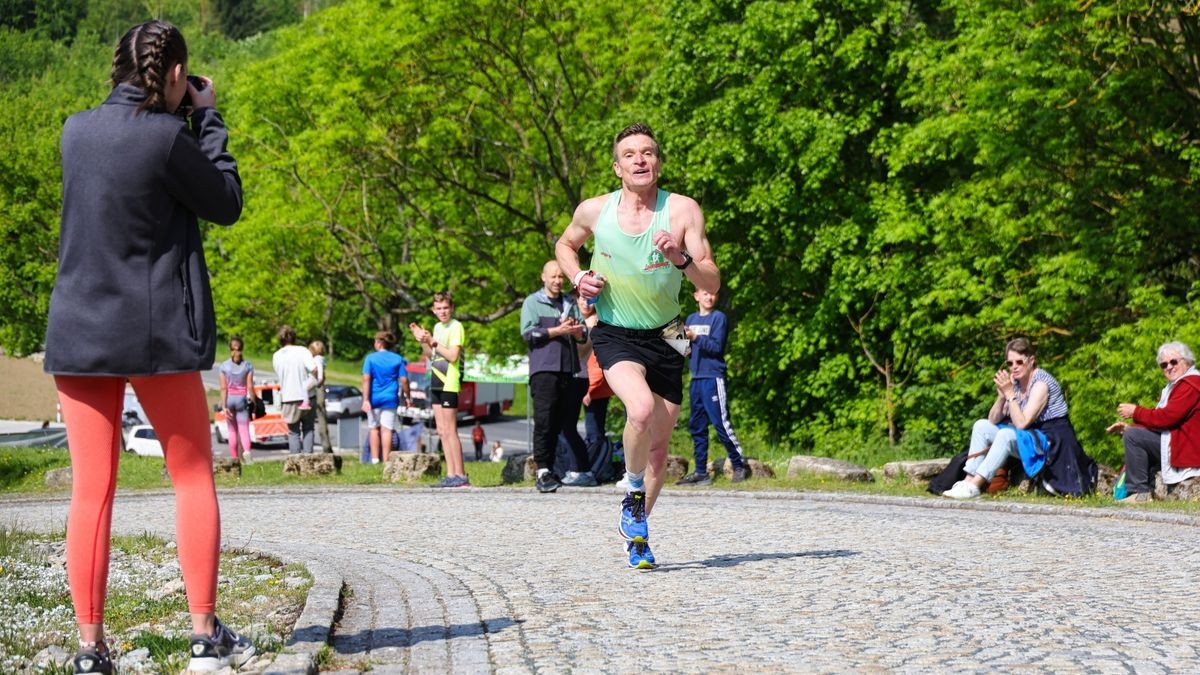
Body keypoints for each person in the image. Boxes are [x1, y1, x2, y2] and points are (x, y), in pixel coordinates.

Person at [42, 20, 252, 674]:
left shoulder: (74, 132)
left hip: (79, 330)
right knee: (191, 476)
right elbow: (225, 201)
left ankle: (89, 648)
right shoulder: (168, 137)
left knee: (91, 490)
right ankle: (201, 633)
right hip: (155, 332)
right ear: (173, 76)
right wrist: (208, 118)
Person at [556, 123, 721, 569]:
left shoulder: (682, 211)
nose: (640, 160)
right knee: (641, 411)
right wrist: (577, 277)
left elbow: (711, 281)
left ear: (658, 163)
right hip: (614, 330)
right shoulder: (595, 210)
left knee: (660, 450)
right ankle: (630, 492)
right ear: (617, 167)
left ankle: (637, 533)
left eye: (648, 152)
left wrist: (680, 260)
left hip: (669, 333)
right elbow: (564, 244)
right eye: (630, 154)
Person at [944, 337, 1097, 499]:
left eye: (1019, 362)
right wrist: (1002, 396)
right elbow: (993, 420)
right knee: (981, 426)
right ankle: (968, 481)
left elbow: (1022, 423)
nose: (1014, 367)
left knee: (1006, 434)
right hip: (1030, 437)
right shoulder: (1015, 383)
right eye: (1010, 363)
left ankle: (976, 485)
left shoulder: (1041, 384)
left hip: (1051, 440)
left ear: (1031, 361)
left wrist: (1010, 395)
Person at [520, 261, 589, 492]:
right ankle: (542, 470)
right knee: (544, 421)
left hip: (568, 370)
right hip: (544, 370)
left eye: (561, 277)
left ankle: (553, 469)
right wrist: (556, 331)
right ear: (543, 277)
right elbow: (528, 334)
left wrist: (578, 332)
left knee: (561, 422)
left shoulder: (570, 303)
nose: (557, 281)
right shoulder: (532, 302)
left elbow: (583, 336)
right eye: (553, 277)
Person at [1108, 341, 1200, 503]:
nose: (1169, 367)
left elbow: (1166, 418)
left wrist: (1135, 412)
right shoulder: (1178, 385)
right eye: (1164, 365)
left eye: (1173, 362)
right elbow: (1163, 421)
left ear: (1187, 361)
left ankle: (1139, 493)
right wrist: (1132, 427)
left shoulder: (1191, 384)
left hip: (1188, 449)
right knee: (1133, 434)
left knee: (1134, 436)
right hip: (1179, 443)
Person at [677, 288, 750, 486]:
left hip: (713, 377)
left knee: (721, 424)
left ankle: (739, 465)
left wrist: (695, 337)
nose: (709, 297)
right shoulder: (691, 318)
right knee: (697, 426)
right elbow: (689, 351)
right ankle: (701, 472)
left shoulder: (719, 318)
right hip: (696, 378)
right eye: (705, 293)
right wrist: (679, 343)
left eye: (713, 294)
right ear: (696, 296)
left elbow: (716, 348)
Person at [409, 292, 469, 487]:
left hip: (449, 382)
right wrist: (424, 341)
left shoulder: (456, 326)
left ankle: (460, 475)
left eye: (446, 308)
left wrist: (434, 341)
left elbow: (452, 355)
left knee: (451, 431)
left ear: (451, 308)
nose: (443, 312)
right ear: (433, 311)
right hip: (435, 380)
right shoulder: (436, 327)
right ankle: (451, 474)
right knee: (441, 431)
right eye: (439, 308)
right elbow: (430, 355)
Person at [361, 331, 410, 464]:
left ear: (378, 343)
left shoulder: (370, 358)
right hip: (390, 398)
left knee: (373, 428)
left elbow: (366, 379)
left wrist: (365, 399)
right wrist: (408, 397)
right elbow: (404, 380)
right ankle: (386, 461)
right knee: (387, 429)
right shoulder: (398, 358)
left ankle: (375, 460)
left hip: (373, 398)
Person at [273, 326, 318, 454]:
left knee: (293, 432)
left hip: (288, 397)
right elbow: (314, 369)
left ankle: (295, 461)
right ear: (294, 337)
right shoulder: (303, 351)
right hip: (307, 396)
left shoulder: (276, 356)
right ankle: (309, 458)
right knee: (308, 428)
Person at [218, 336, 257, 462]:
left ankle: (234, 458)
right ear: (242, 349)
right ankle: (247, 452)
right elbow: (250, 386)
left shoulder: (223, 366)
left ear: (230, 349)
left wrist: (224, 406)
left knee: (232, 431)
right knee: (244, 429)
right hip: (241, 400)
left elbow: (223, 388)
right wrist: (255, 402)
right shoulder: (248, 366)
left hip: (229, 400)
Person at [309, 340, 332, 452]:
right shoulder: (322, 359)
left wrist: (316, 383)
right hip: (319, 387)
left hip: (317, 387)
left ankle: (325, 447)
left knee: (318, 417)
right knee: (322, 417)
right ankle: (326, 446)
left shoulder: (317, 360)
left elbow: (320, 376)